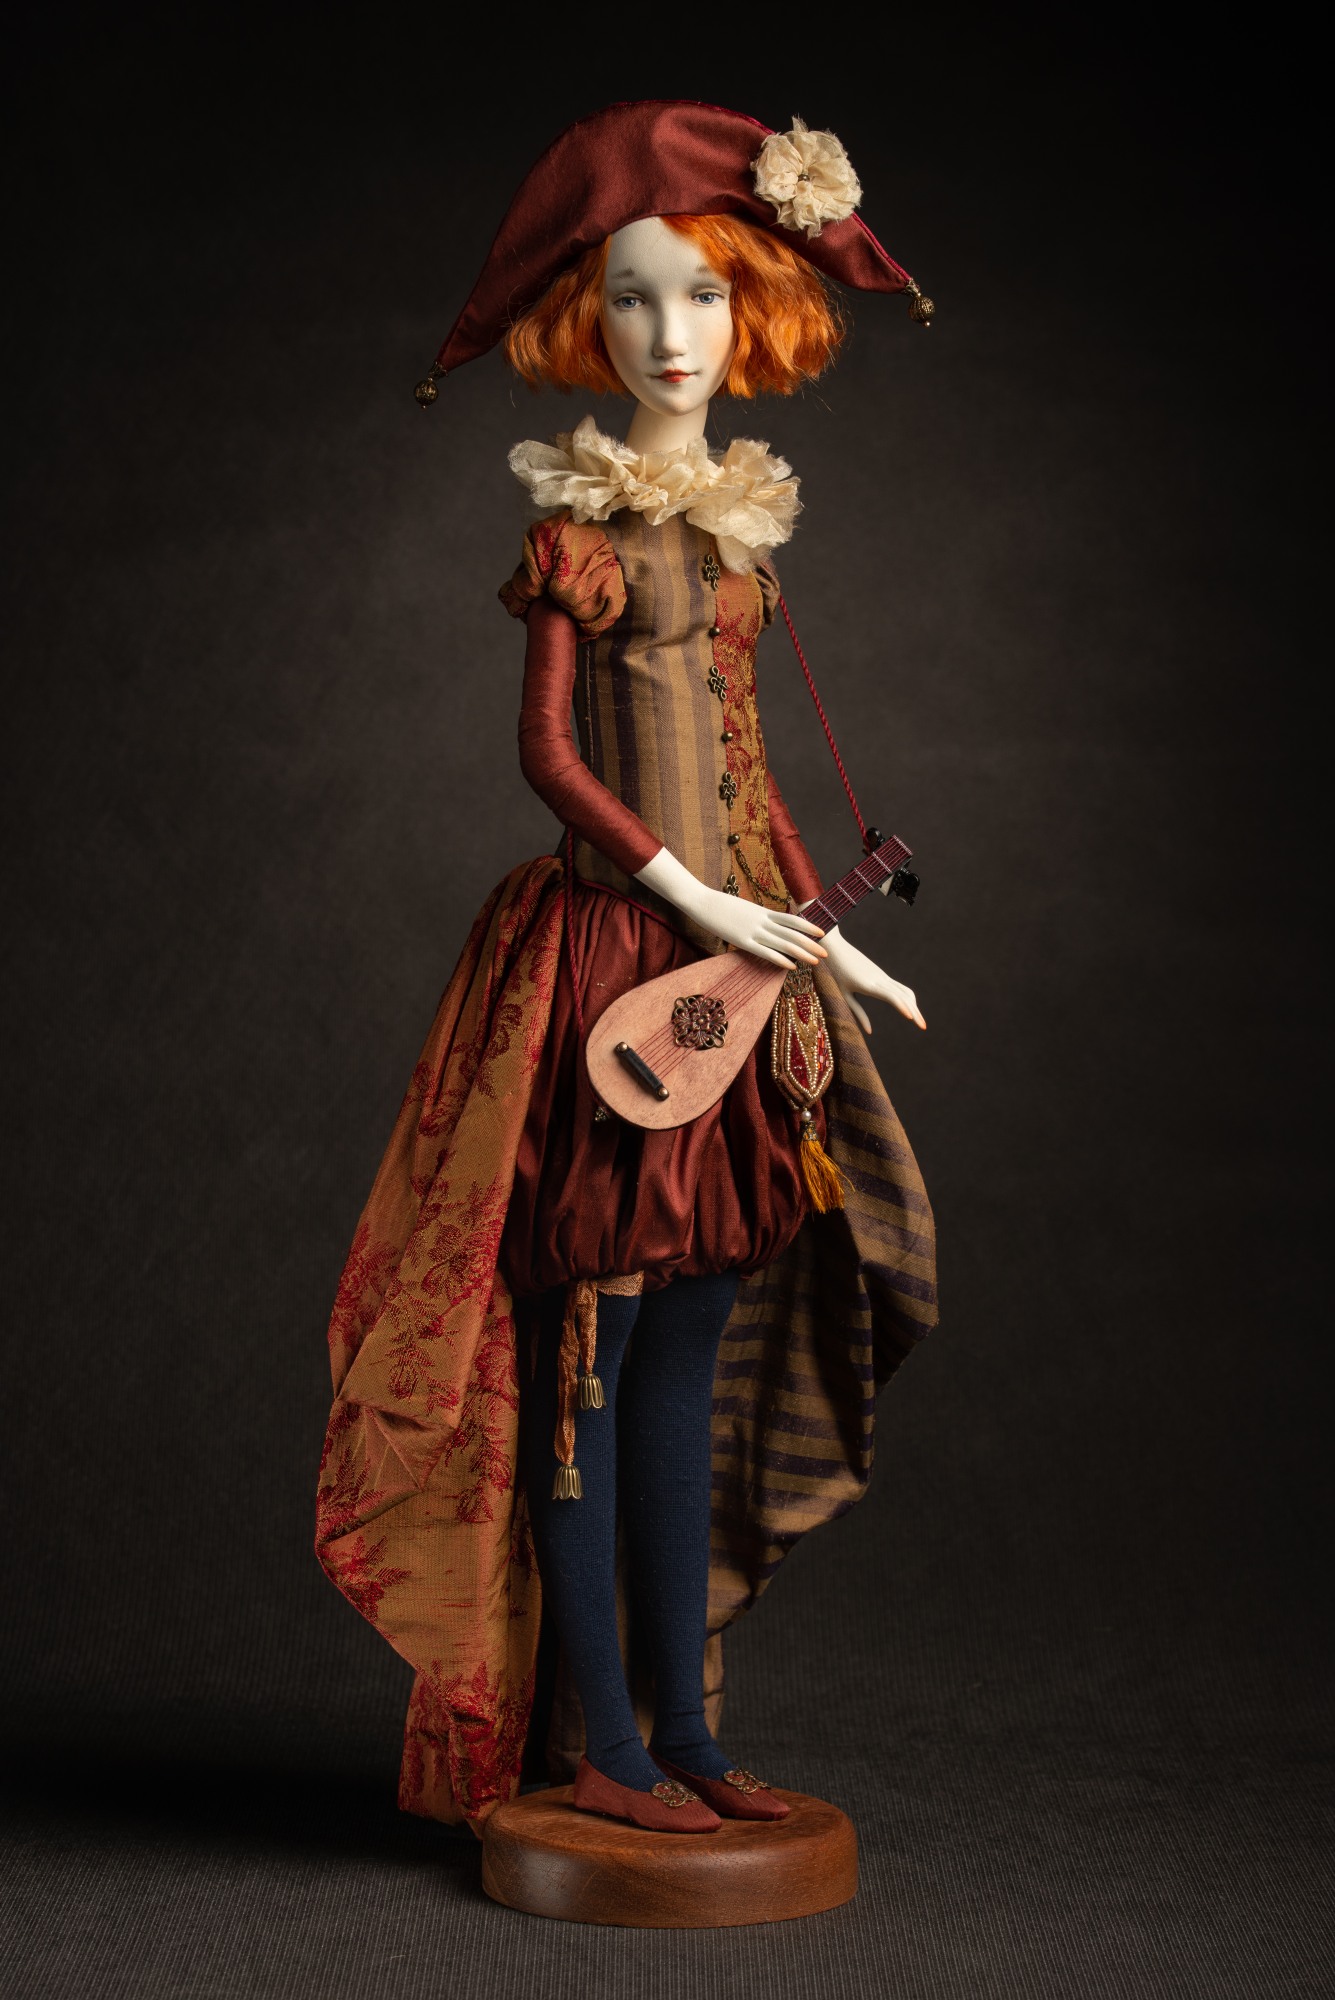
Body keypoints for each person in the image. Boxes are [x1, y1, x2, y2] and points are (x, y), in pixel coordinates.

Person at [316, 101, 939, 1839]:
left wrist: (819, 937)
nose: (675, 332)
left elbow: (751, 770)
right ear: (591, 316)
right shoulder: (579, 543)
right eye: (639, 296)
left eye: (707, 296)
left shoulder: (736, 543)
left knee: (684, 1357)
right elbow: (548, 759)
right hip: (609, 983)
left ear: (756, 312)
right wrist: (699, 904)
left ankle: (689, 1736)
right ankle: (600, 1753)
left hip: (724, 1000)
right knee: (586, 1370)